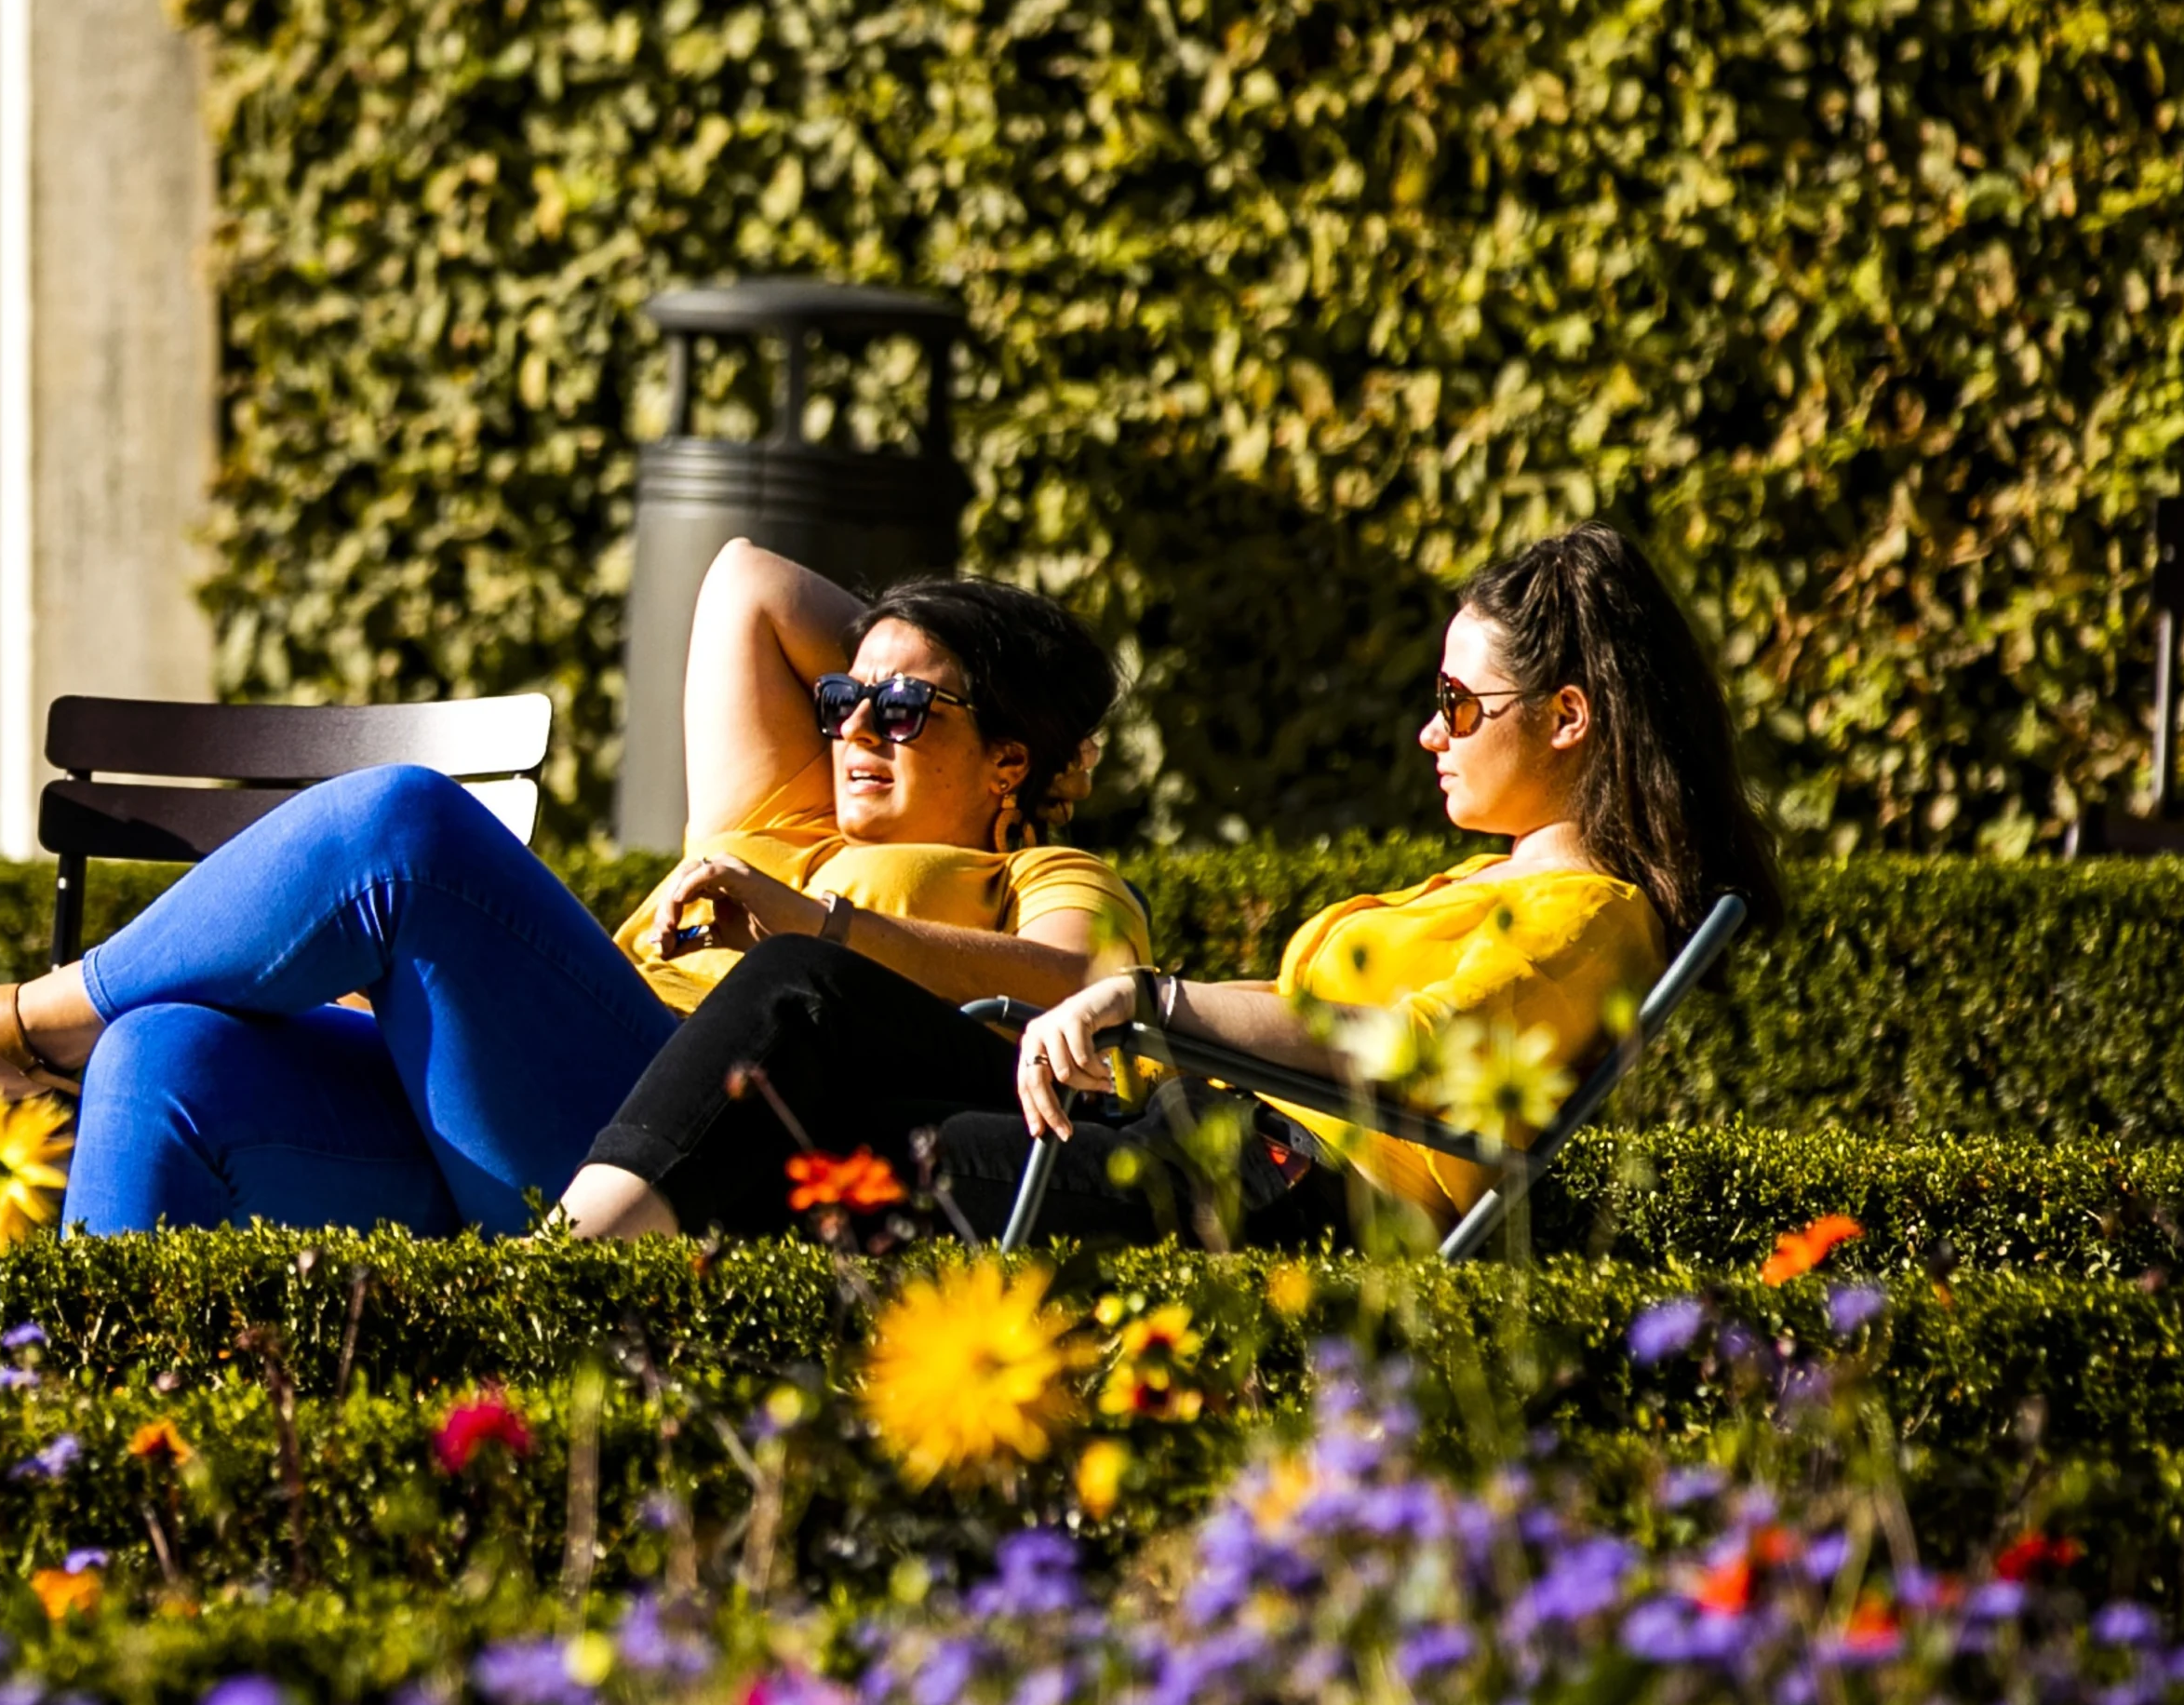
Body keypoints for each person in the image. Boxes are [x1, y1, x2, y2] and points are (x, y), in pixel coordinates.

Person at [0, 540, 1152, 1234]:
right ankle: (89, 1451)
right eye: (844, 698)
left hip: (683, 1147)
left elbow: (1080, 990)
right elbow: (741, 581)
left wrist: (818, 921)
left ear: (1012, 764)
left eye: (903, 717)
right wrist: (927, 663)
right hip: (509, 1130)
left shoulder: (1037, 866)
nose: (850, 725)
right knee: (164, 1051)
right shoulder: (781, 811)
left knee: (404, 825)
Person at [556, 520, 1784, 1246]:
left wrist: (1150, 1000)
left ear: (1568, 718)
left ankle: (560, 1275)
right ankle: (578, 1267)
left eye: (1459, 703)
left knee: (803, 1018)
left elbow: (1419, 1048)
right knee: (807, 1001)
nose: (1432, 733)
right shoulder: (1480, 887)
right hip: (1178, 1128)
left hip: (1266, 1176)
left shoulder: (1588, 917)